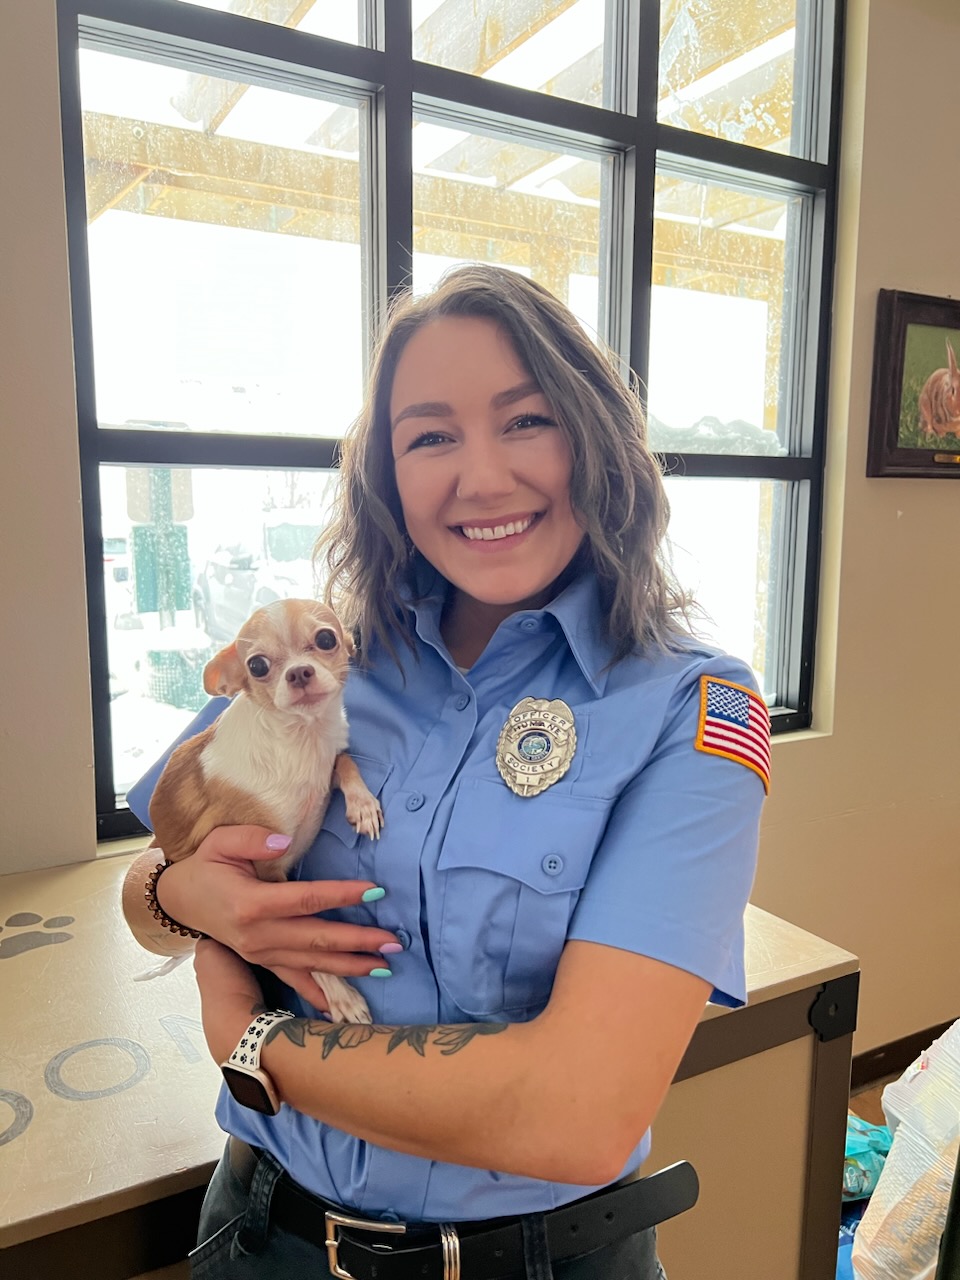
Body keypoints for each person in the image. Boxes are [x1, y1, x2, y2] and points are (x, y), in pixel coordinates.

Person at [121, 263, 769, 1280]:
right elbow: (150, 879)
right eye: (430, 435)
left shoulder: (690, 710)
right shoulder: (326, 657)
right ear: (386, 472)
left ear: (596, 436)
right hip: (262, 1229)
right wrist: (184, 895)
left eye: (526, 420)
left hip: (536, 1259)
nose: (482, 477)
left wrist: (250, 1041)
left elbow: (578, 1114)